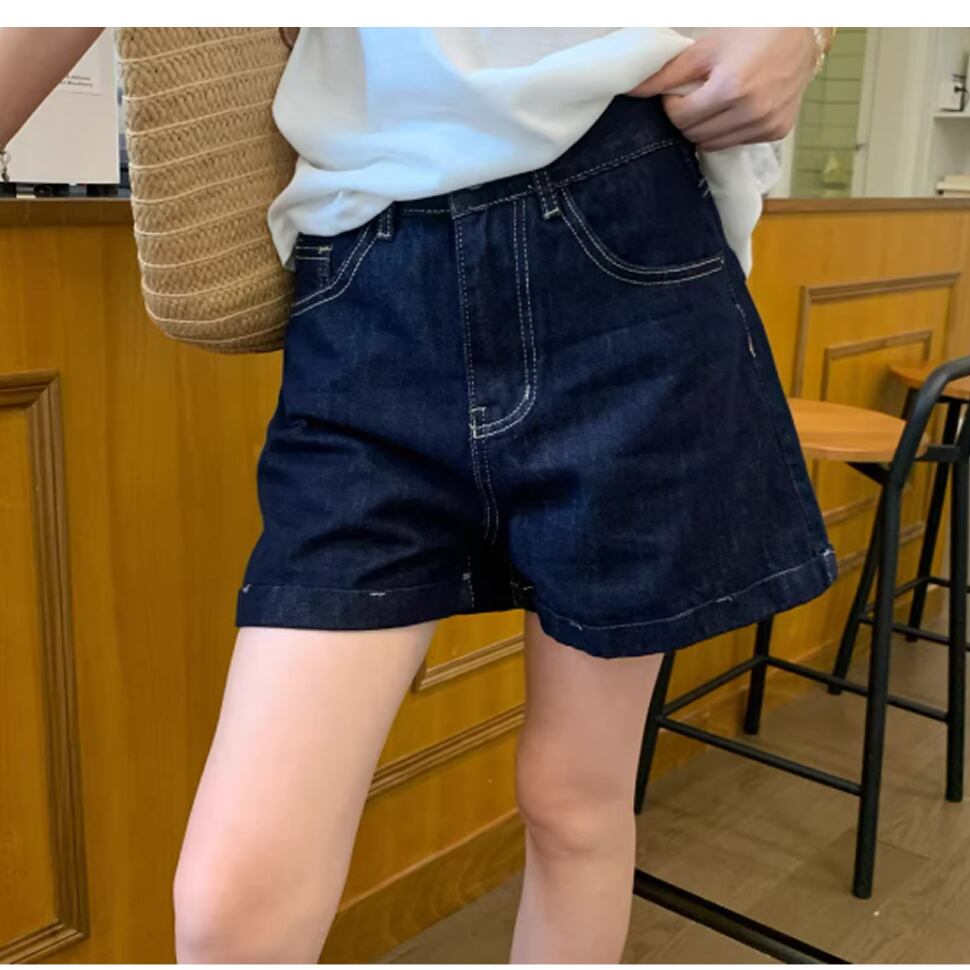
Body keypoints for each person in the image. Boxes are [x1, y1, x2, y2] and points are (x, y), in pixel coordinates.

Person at [1, 26, 837, 963]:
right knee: (227, 903)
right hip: (368, 285)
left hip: (628, 246)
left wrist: (805, 26)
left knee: (573, 804)